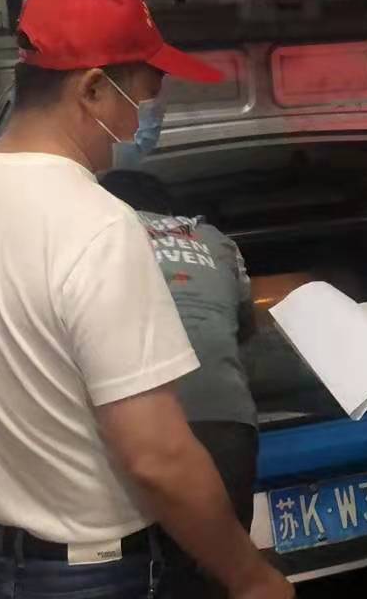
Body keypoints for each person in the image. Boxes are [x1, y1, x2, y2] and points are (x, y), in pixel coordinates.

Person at [0, 0, 292, 599]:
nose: (149, 113)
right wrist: (250, 577)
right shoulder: (99, 226)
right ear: (94, 88)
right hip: (99, 575)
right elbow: (156, 456)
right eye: (146, 93)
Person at [99, 170, 259, 599]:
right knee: (220, 575)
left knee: (147, 573)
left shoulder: (98, 234)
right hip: (229, 420)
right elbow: (245, 326)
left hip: (141, 424)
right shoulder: (216, 239)